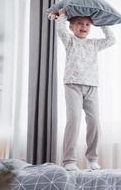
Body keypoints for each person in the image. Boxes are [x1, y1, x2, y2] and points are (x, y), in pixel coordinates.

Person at [49, 9, 115, 171]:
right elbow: (60, 29)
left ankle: (92, 157)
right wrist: (62, 15)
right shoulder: (69, 40)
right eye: (79, 23)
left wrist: (101, 23)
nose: (84, 27)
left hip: (91, 86)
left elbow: (112, 39)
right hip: (73, 85)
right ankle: (69, 160)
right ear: (71, 26)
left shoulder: (93, 44)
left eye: (87, 24)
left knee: (94, 121)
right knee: (74, 120)